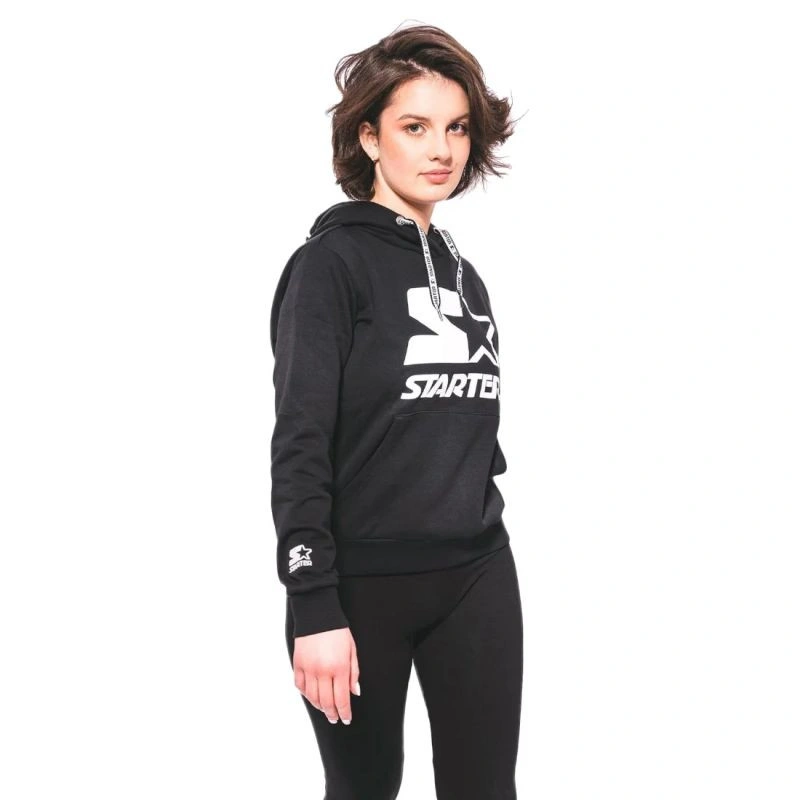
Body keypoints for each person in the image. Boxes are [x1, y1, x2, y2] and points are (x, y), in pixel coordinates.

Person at [270, 22, 524, 800]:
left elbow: (468, 430)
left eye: (457, 128)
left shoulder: (465, 277)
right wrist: (312, 601)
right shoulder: (328, 268)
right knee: (365, 790)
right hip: (360, 587)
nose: (441, 149)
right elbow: (301, 443)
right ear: (370, 137)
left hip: (476, 574)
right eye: (415, 127)